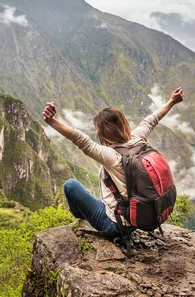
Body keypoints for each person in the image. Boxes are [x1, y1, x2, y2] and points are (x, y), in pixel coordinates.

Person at [42, 87, 184, 237]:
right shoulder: (137, 139)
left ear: (102, 133)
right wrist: (172, 101)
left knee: (70, 185)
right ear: (123, 125)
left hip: (114, 225)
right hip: (137, 219)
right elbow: (151, 120)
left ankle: (80, 217)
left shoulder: (111, 156)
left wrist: (51, 121)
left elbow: (80, 139)